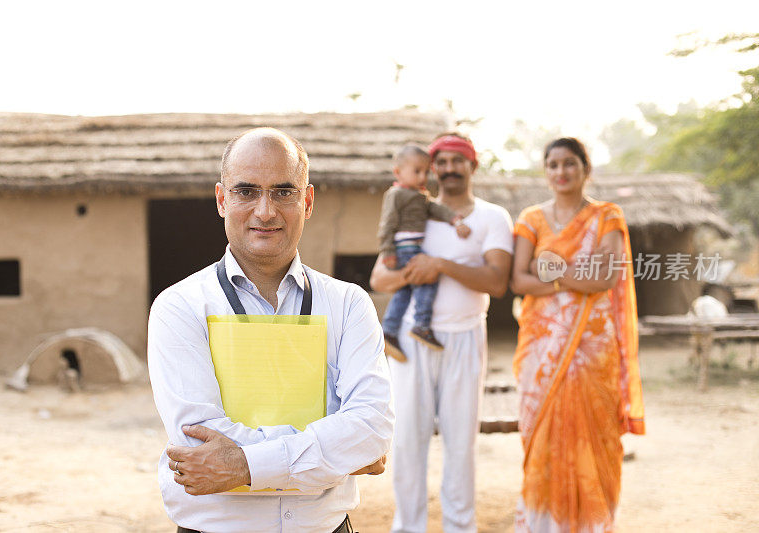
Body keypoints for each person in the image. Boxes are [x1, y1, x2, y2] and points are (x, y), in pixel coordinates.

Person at [148, 128, 394, 533]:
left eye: (283, 192)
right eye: (246, 191)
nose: (265, 211)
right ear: (222, 200)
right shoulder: (180, 307)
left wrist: (243, 464)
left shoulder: (348, 304)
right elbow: (198, 446)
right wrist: (335, 450)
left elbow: (370, 430)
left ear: (308, 201)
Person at [370, 133, 513, 533]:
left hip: (466, 337)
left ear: (473, 165)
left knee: (460, 441)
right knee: (407, 441)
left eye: (457, 161)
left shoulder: (492, 217)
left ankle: (460, 526)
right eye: (442, 162)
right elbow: (380, 277)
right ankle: (408, 526)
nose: (449, 168)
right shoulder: (415, 211)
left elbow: (498, 281)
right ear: (432, 169)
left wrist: (441, 265)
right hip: (412, 344)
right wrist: (415, 270)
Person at [509, 137, 645, 532]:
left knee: (596, 436)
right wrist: (567, 280)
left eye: (570, 163)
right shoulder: (531, 218)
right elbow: (518, 279)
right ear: (545, 171)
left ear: (586, 169)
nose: (561, 172)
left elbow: (604, 277)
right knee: (544, 440)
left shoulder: (607, 216)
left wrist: (551, 271)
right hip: (541, 347)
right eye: (552, 165)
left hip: (593, 349)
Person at [378, 144, 471, 360]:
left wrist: (455, 220)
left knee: (404, 291)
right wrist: (387, 251)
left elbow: (436, 209)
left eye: (426, 172)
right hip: (405, 247)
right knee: (427, 280)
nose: (422, 177)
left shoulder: (421, 196)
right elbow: (387, 223)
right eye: (416, 171)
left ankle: (389, 331)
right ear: (398, 172)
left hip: (413, 246)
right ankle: (421, 324)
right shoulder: (397, 194)